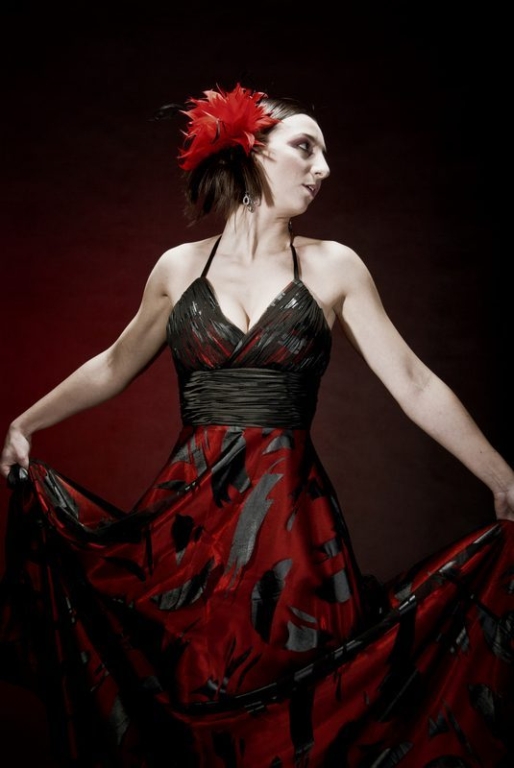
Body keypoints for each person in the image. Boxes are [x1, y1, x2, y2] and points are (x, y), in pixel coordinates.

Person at [0, 82, 513, 768]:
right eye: (306, 147)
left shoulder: (334, 266)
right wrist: (25, 423)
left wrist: (503, 479)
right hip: (186, 529)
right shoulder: (178, 268)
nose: (324, 167)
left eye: (325, 153)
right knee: (183, 701)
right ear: (250, 151)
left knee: (298, 710)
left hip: (291, 527)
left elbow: (413, 382)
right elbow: (116, 364)